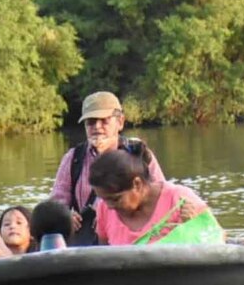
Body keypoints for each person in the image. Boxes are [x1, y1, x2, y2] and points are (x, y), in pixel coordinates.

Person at [50, 91, 165, 245]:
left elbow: (161, 198)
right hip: (90, 243)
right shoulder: (73, 158)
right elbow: (56, 205)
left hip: (135, 238)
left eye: (104, 121)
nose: (97, 127)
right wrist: (65, 218)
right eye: (90, 122)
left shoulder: (140, 154)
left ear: (120, 122)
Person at [88, 140, 210, 245]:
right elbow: (104, 254)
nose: (109, 206)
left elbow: (217, 240)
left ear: (137, 184)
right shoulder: (104, 209)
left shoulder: (179, 199)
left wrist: (193, 224)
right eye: (104, 199)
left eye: (115, 199)